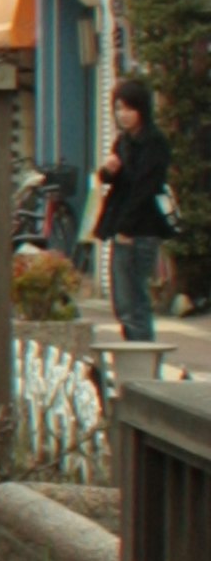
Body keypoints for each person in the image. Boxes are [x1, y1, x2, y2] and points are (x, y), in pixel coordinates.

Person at [93, 76, 174, 353]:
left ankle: (143, 364)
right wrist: (107, 171)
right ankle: (137, 358)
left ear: (142, 109)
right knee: (122, 304)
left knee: (134, 302)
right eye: (118, 109)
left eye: (129, 108)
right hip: (122, 229)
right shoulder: (123, 142)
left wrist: (127, 228)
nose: (123, 115)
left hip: (141, 231)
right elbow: (115, 183)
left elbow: (145, 188)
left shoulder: (154, 143)